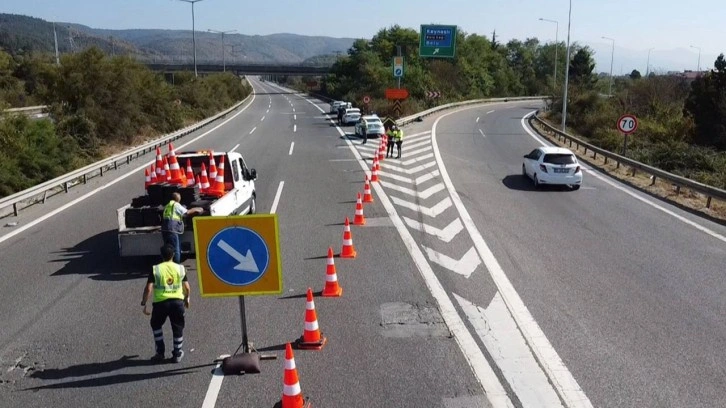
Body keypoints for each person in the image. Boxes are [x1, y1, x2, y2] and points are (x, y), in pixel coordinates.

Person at [141, 244, 190, 363]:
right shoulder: (180, 268)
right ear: (173, 255)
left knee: (156, 325)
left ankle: (160, 352)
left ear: (161, 256)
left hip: (160, 304)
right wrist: (186, 299)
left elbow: (148, 288)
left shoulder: (156, 269)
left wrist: (144, 302)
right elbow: (187, 288)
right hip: (177, 303)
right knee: (178, 327)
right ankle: (177, 353)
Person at [161, 192, 203, 264]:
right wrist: (196, 209)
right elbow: (186, 212)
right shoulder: (176, 205)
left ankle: (168, 264)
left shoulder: (168, 206)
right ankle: (176, 265)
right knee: (176, 249)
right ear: (177, 198)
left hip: (164, 229)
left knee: (168, 249)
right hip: (172, 229)